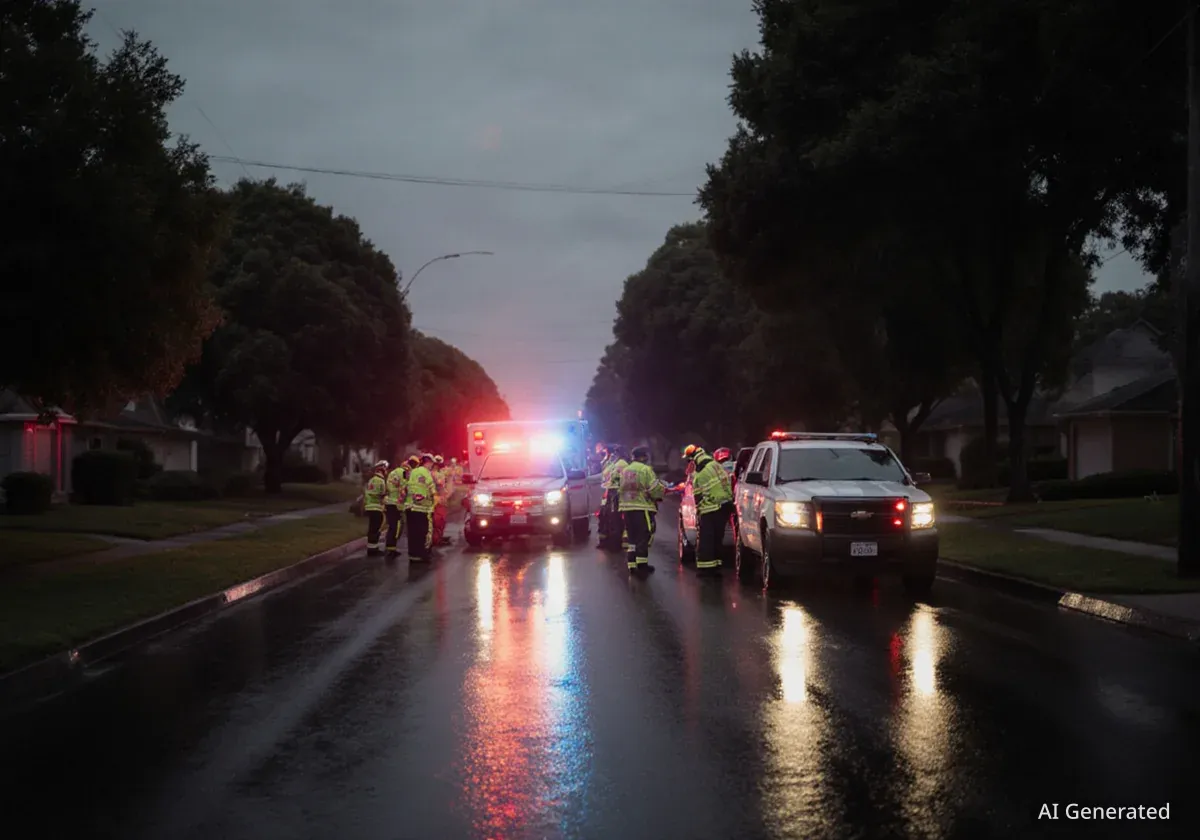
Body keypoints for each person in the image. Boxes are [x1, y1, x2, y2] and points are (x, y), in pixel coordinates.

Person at [686, 446, 733, 578]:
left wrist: (699, 509)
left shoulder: (699, 474)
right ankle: (716, 567)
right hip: (724, 506)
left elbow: (698, 496)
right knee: (718, 539)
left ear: (693, 458)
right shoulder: (716, 465)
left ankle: (705, 569)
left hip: (708, 510)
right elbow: (726, 483)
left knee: (706, 540)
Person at [617, 445, 664, 574]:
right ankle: (642, 564)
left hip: (626, 508)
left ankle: (631, 564)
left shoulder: (625, 471)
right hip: (642, 507)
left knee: (631, 536)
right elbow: (654, 489)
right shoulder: (645, 470)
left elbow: (620, 488)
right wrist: (659, 496)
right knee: (644, 534)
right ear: (643, 457)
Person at [406, 453, 437, 561]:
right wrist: (436, 497)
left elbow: (408, 486)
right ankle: (423, 554)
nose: (432, 466)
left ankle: (413, 555)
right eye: (431, 464)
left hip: (410, 507)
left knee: (412, 532)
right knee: (424, 532)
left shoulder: (413, 471)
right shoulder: (426, 473)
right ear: (428, 462)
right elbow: (431, 488)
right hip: (423, 508)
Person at [599, 444, 628, 550]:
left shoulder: (621, 464)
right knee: (607, 517)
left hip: (616, 492)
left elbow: (616, 479)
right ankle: (608, 541)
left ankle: (615, 543)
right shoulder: (612, 463)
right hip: (610, 492)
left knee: (615, 517)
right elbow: (605, 475)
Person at [383, 459, 408, 560]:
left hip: (389, 502)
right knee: (396, 527)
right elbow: (403, 490)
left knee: (392, 527)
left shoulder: (392, 473)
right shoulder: (403, 474)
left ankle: (390, 548)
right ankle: (391, 549)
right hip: (396, 504)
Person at [364, 460, 389, 556]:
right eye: (385, 469)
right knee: (376, 529)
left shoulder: (371, 480)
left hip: (369, 507)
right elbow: (382, 495)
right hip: (376, 507)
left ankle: (371, 548)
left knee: (372, 528)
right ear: (382, 469)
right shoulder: (381, 481)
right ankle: (373, 550)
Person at [431, 455, 451, 546]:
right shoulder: (437, 474)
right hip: (438, 501)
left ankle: (438, 537)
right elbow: (440, 487)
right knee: (438, 521)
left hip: (437, 500)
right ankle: (436, 539)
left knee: (438, 521)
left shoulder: (430, 473)